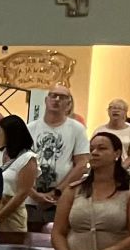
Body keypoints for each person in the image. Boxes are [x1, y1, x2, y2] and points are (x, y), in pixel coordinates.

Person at [52, 130, 130, 250]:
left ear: (117, 153)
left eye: (102, 148)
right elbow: (58, 232)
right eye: (91, 149)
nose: (94, 153)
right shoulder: (74, 189)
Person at [29, 87, 90, 223]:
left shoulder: (77, 129)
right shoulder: (30, 128)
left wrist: (57, 192)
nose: (56, 100)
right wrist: (33, 193)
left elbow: (81, 164)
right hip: (31, 199)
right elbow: (19, 163)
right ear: (46, 100)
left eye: (62, 97)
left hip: (61, 199)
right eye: (53, 95)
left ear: (68, 104)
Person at [0, 114, 39, 238]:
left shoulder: (28, 158)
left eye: (0, 131)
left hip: (12, 214)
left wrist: (0, 216)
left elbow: (22, 193)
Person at [95, 98, 130, 169]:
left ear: (125, 112)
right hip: (102, 169)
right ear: (108, 111)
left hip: (124, 170)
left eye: (119, 108)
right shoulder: (99, 130)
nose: (115, 110)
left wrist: (121, 169)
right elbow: (92, 151)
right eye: (112, 107)